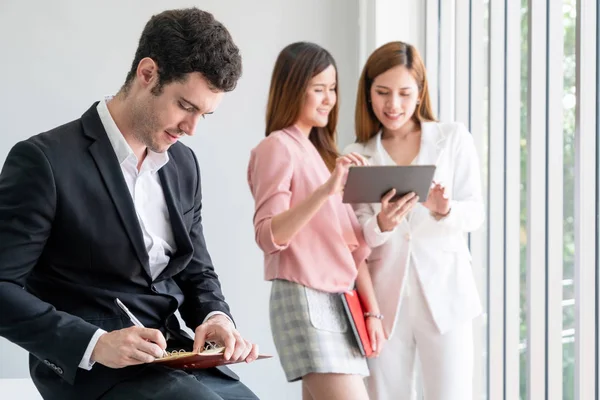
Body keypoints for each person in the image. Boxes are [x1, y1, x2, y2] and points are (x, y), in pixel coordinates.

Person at [0, 8, 260, 400]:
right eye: (186, 107)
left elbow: (196, 272)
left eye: (204, 115)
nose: (191, 128)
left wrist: (215, 318)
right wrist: (95, 342)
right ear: (147, 73)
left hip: (172, 355)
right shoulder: (45, 161)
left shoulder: (183, 165)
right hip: (92, 370)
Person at [343, 41, 485, 400]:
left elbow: (476, 212)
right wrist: (384, 225)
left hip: (446, 295)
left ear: (420, 93)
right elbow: (356, 236)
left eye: (405, 93)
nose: (394, 105)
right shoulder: (356, 155)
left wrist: (444, 210)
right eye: (383, 92)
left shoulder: (452, 138)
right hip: (385, 302)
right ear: (368, 94)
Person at [247, 42, 385, 400]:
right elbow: (268, 234)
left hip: (341, 302)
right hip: (305, 298)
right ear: (293, 89)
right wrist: (326, 191)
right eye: (319, 89)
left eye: (333, 88)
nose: (330, 99)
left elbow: (352, 250)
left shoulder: (325, 158)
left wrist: (373, 313)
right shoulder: (276, 148)